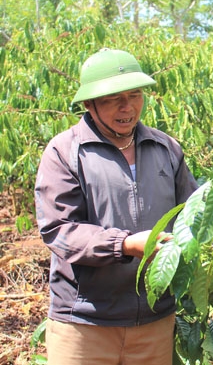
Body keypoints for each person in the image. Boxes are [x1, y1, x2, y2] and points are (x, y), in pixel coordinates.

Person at [34, 48, 198, 365]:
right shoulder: (65, 151)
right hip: (84, 323)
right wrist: (123, 245)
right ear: (88, 104)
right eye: (112, 99)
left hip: (154, 320)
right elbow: (59, 231)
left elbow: (190, 215)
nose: (127, 107)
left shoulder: (165, 148)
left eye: (135, 95)